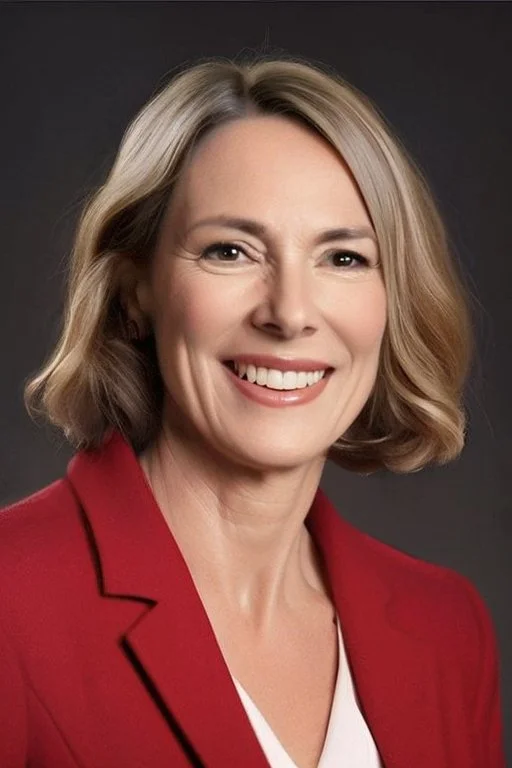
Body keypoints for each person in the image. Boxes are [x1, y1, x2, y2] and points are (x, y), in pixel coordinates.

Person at [0, 53, 505, 768]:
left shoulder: (447, 630)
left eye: (344, 259)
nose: (291, 313)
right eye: (231, 251)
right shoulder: (9, 604)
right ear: (136, 290)